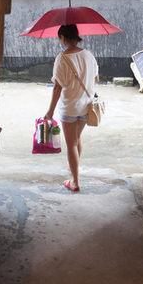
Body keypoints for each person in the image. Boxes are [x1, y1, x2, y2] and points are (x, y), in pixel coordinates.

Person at [44, 24, 99, 192]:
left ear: (62, 37)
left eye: (58, 38)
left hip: (69, 108)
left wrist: (50, 112)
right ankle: (73, 163)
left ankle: (74, 182)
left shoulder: (62, 58)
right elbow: (95, 79)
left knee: (71, 144)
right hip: (86, 106)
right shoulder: (88, 55)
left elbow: (57, 87)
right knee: (77, 138)